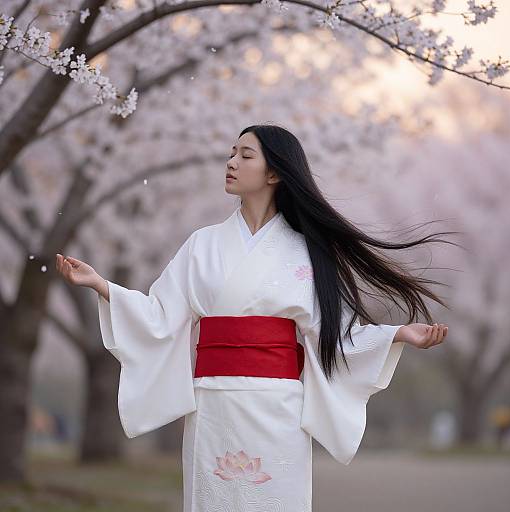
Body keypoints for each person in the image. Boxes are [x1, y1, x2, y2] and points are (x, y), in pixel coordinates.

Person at [55, 124, 449, 511]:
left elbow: (336, 336)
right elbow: (160, 316)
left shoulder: (309, 252)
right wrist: (101, 285)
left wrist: (397, 333)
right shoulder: (202, 244)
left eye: (245, 155)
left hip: (278, 406)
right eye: (231, 153)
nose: (231, 162)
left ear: (275, 172)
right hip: (212, 403)